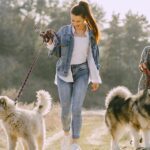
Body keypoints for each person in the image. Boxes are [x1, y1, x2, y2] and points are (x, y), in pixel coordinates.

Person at [46, 1, 102, 150]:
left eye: (78, 21)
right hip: (64, 72)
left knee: (76, 108)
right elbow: (57, 52)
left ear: (85, 18)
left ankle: (75, 142)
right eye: (72, 20)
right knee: (65, 108)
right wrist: (50, 42)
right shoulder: (64, 31)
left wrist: (95, 78)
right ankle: (66, 135)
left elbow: (92, 57)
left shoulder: (91, 34)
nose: (75, 24)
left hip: (83, 72)